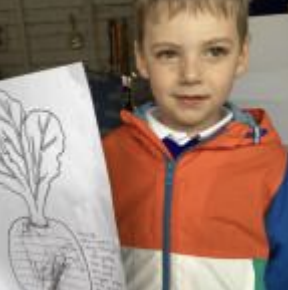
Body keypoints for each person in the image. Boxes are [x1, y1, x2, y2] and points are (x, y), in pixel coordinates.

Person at [103, 0, 288, 289]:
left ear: (241, 55)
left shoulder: (275, 167)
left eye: (215, 51)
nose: (190, 75)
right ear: (141, 58)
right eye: (168, 53)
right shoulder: (107, 157)